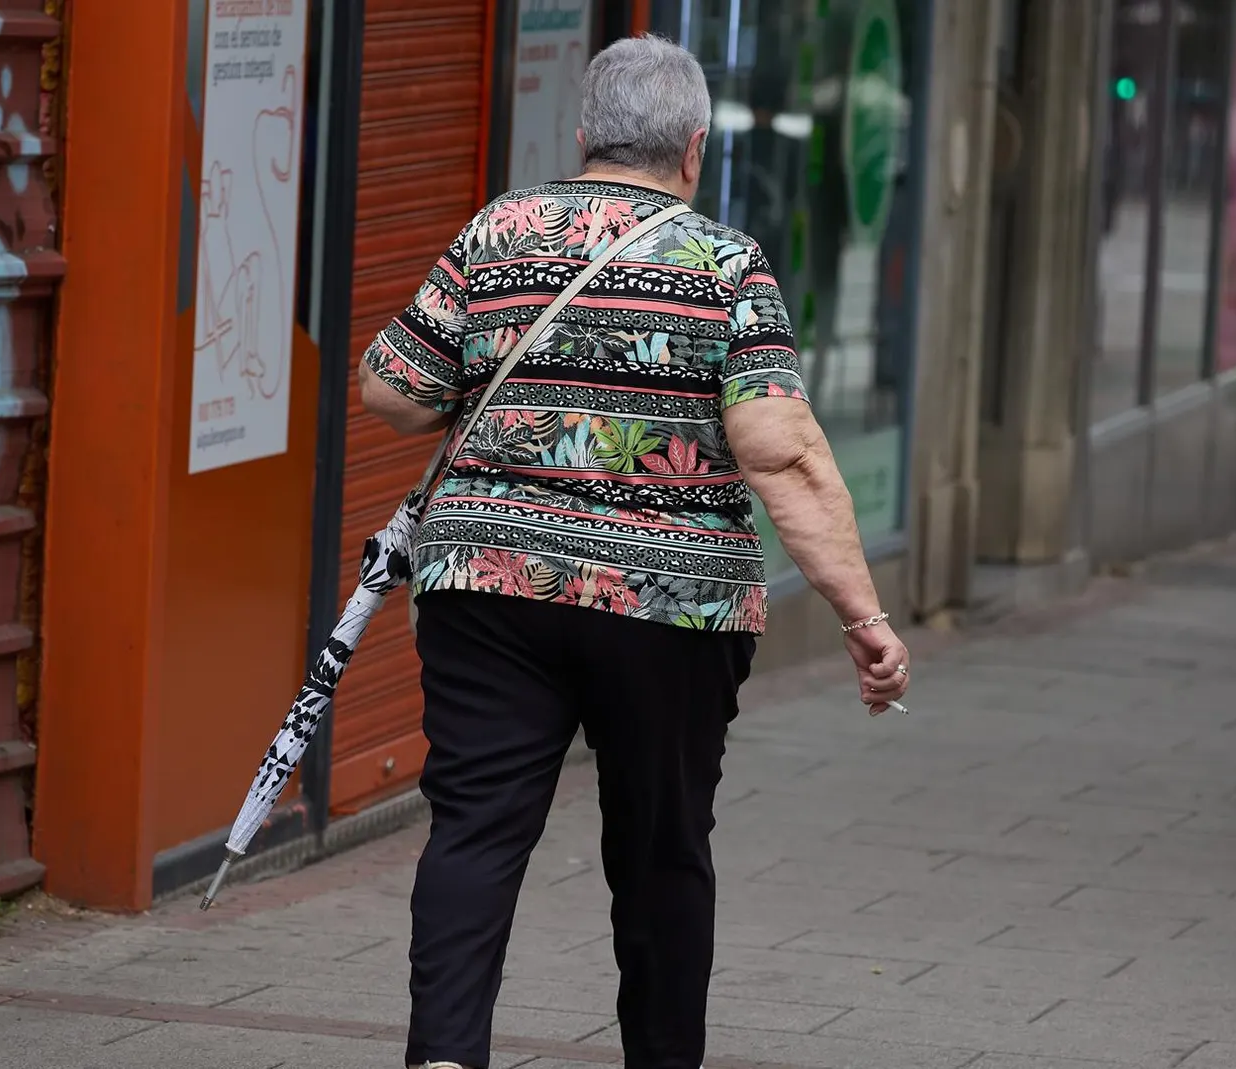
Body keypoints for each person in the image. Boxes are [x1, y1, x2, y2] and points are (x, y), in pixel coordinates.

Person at [358, 34, 912, 1069]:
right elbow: (778, 453)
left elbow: (391, 389)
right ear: (693, 149)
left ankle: (442, 1056)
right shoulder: (723, 265)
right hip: (666, 610)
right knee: (660, 847)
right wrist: (862, 617)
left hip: (490, 584)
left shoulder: (500, 230)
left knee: (475, 830)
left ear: (583, 134)